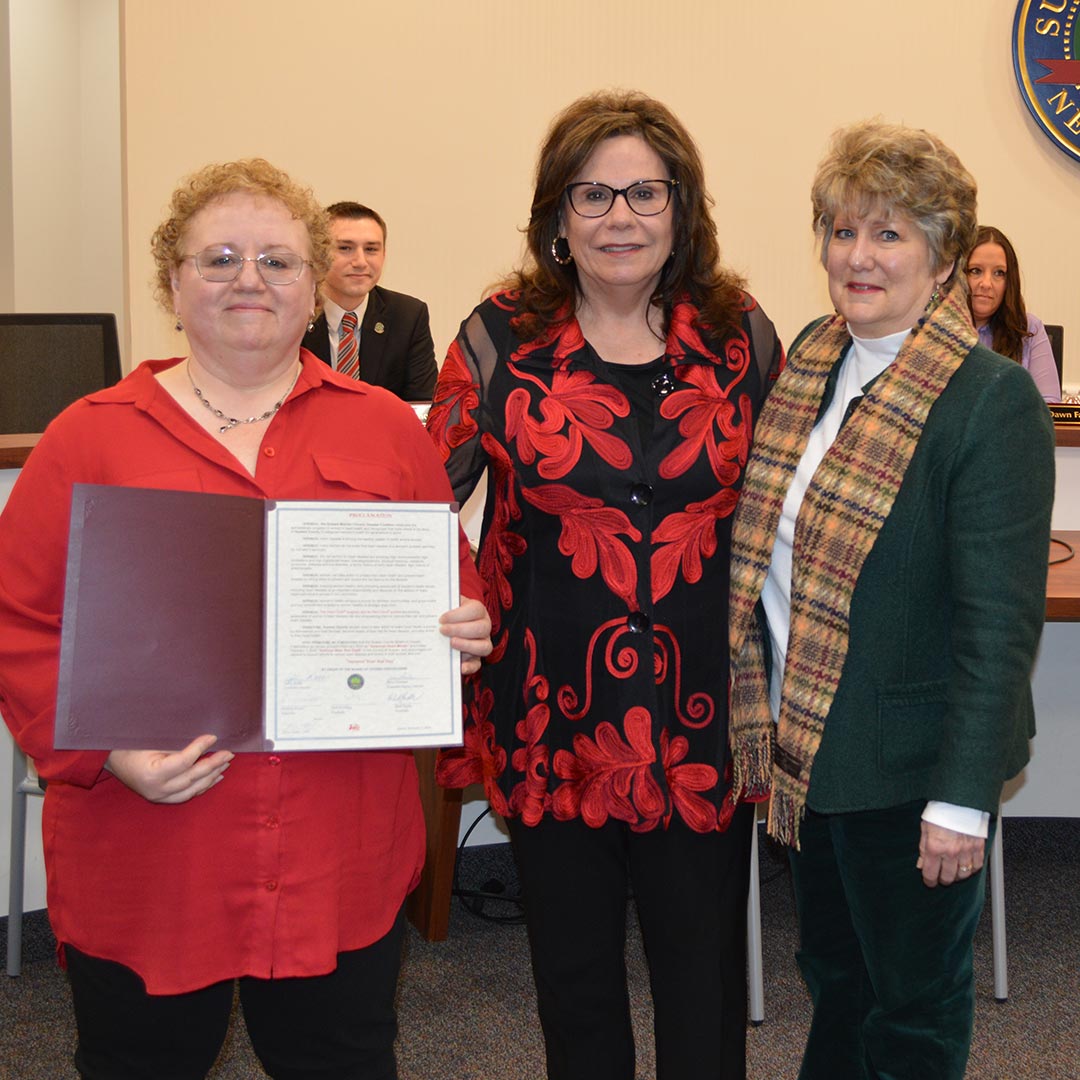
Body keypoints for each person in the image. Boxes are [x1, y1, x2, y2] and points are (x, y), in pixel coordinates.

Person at [0, 158, 490, 1080]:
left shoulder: (386, 429)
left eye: (277, 260)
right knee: (139, 1062)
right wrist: (107, 752)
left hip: (333, 844)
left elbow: (447, 589)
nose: (249, 280)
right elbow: (18, 622)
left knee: (340, 1060)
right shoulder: (89, 436)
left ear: (316, 286)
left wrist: (463, 631)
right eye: (218, 257)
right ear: (172, 282)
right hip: (148, 845)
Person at [428, 90, 783, 1080]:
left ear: (683, 209)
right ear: (555, 215)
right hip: (549, 721)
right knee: (574, 986)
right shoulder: (496, 339)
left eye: (644, 191)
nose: (620, 216)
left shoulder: (743, 338)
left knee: (704, 984)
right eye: (592, 193)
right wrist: (446, 603)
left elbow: (788, 508)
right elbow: (415, 498)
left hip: (703, 721)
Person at [728, 121, 1055, 1080]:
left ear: (945, 255)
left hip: (915, 772)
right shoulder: (808, 366)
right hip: (811, 757)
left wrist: (962, 802)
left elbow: (999, 626)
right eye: (841, 230)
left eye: (889, 235)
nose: (857, 256)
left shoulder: (990, 400)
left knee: (911, 1010)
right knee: (836, 978)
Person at [302, 201, 438, 401]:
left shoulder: (408, 316)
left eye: (371, 249)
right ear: (319, 254)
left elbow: (421, 404)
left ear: (384, 255)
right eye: (345, 248)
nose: (360, 262)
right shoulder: (296, 313)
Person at [965, 224, 1061, 401]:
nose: (986, 283)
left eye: (999, 273)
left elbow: (1049, 408)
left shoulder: (1030, 329)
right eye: (975, 271)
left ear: (1010, 282)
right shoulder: (932, 326)